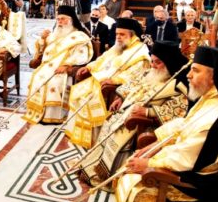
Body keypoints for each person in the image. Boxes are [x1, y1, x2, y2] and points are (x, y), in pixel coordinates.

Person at [112, 46, 218, 202]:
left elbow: (187, 158)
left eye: (196, 70)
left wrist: (149, 164)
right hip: (190, 166)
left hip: (202, 185)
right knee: (133, 166)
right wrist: (156, 143)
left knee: (139, 184)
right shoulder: (212, 99)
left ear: (214, 76)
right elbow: (184, 124)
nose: (188, 75)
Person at [78, 41, 189, 186]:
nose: (153, 65)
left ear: (169, 62)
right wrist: (120, 98)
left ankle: (112, 176)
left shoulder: (177, 84)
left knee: (119, 132)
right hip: (125, 110)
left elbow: (179, 110)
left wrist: (148, 112)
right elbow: (133, 84)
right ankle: (93, 165)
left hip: (142, 122)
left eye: (158, 62)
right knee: (109, 124)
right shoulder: (150, 72)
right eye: (152, 61)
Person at [66, 18, 150, 148]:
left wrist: (115, 80)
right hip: (99, 79)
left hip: (113, 85)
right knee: (78, 93)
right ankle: (77, 133)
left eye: (122, 34)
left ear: (132, 35)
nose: (118, 37)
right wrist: (89, 67)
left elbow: (136, 74)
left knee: (87, 98)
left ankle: (93, 137)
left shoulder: (139, 52)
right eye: (117, 34)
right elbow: (103, 58)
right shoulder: (119, 46)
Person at [23, 6, 93, 124]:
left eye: (63, 19)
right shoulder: (54, 34)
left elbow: (82, 55)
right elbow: (42, 49)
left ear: (71, 20)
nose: (60, 22)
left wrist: (67, 66)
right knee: (37, 77)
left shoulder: (79, 37)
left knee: (53, 83)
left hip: (63, 69)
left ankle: (52, 115)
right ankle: (39, 112)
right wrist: (42, 38)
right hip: (46, 67)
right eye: (58, 19)